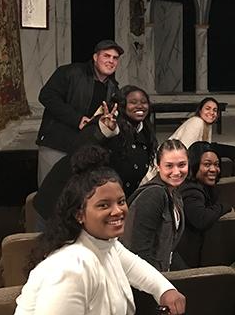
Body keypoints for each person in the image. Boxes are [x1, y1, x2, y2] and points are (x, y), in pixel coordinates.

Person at [0, 146, 186, 315]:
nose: (118, 211)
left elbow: (132, 266)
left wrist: (164, 289)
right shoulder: (71, 269)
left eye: (121, 201)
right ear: (79, 214)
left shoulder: (104, 243)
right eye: (103, 205)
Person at [34, 85, 157, 222]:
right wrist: (104, 131)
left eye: (144, 102)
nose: (139, 106)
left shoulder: (144, 132)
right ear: (121, 105)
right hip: (63, 204)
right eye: (133, 102)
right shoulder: (102, 123)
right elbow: (80, 151)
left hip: (99, 210)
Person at [36, 39, 123, 185]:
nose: (111, 61)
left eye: (115, 58)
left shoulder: (113, 87)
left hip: (84, 149)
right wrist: (77, 119)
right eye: (106, 56)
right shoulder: (71, 72)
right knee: (49, 191)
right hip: (56, 143)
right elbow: (47, 96)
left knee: (75, 195)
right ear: (95, 57)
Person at [122, 139, 188, 271]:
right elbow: (138, 249)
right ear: (158, 166)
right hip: (144, 278)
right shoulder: (154, 194)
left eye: (182, 165)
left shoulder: (175, 193)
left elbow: (170, 248)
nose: (176, 172)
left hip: (162, 273)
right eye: (169, 166)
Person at [176, 141, 232, 268]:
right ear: (194, 165)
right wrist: (225, 207)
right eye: (207, 164)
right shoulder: (190, 190)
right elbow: (201, 219)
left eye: (216, 165)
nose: (213, 169)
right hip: (185, 261)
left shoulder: (205, 187)